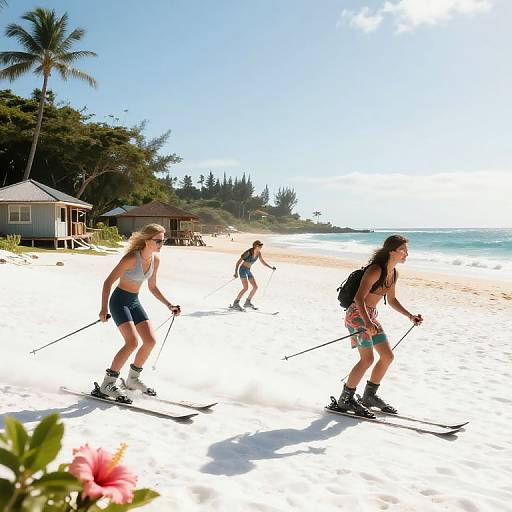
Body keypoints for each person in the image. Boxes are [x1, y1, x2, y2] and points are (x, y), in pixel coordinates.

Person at [331, 235, 423, 417]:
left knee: (387, 356)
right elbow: (358, 298)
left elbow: (392, 299)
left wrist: (410, 316)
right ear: (391, 251)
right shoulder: (375, 270)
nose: (407, 253)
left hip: (370, 317)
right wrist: (366, 322)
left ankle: (369, 396)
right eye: (403, 250)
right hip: (357, 315)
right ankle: (345, 398)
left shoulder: (393, 273)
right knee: (367, 359)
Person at [95, 223, 181, 403]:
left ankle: (132, 380)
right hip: (119, 301)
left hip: (134, 301)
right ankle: (107, 384)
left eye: (163, 240)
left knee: (150, 341)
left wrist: (169, 304)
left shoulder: (155, 260)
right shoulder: (130, 259)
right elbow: (108, 282)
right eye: (158, 241)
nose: (161, 244)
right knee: (132, 342)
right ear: (147, 241)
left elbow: (152, 286)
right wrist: (103, 309)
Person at [230, 240, 276, 311]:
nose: (261, 247)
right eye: (259, 245)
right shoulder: (248, 252)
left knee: (255, 287)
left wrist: (271, 267)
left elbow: (262, 262)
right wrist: (236, 272)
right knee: (245, 288)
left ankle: (247, 302)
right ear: (255, 246)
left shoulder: (258, 253)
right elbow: (238, 262)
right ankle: (235, 303)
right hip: (242, 270)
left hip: (248, 270)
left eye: (261, 245)